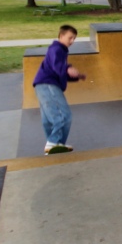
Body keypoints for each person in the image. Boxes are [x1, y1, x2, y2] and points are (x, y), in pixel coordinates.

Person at [33, 24, 86, 154]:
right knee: (63, 115)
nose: (72, 41)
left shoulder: (59, 50)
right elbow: (58, 65)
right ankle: (53, 142)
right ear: (61, 36)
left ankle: (55, 145)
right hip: (48, 85)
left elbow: (59, 71)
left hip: (42, 85)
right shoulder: (57, 49)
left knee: (48, 118)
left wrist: (76, 76)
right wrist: (68, 68)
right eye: (70, 38)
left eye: (74, 38)